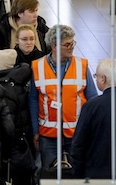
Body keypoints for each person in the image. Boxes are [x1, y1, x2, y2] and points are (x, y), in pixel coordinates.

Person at [29, 24, 97, 172]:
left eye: (73, 43)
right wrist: (35, 131)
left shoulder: (82, 65)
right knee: (50, 175)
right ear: (54, 46)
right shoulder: (37, 67)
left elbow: (92, 99)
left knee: (76, 175)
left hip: (77, 135)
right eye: (67, 44)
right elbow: (33, 100)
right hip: (48, 136)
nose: (72, 47)